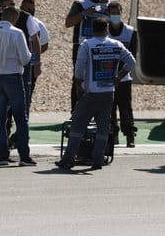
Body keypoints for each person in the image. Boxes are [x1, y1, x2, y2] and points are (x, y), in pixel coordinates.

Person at [56, 17, 135, 170]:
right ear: (106, 29)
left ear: (93, 29)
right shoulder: (116, 44)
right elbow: (131, 62)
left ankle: (68, 158)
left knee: (78, 125)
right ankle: (98, 159)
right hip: (108, 92)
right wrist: (119, 76)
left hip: (91, 91)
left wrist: (78, 84)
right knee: (103, 127)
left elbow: (79, 67)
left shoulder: (87, 45)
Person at [0, 6, 35, 166]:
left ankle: (2, 155)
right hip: (13, 76)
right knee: (20, 117)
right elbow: (25, 59)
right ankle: (24, 156)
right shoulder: (17, 33)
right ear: (14, 18)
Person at [0, 0, 41, 121]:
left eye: (12, 4)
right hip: (3, 65)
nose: (11, 8)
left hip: (23, 65)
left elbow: (35, 41)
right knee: (3, 102)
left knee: (24, 101)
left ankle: (21, 133)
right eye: (7, 6)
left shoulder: (26, 18)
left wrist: (37, 63)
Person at [65, 0, 110, 113]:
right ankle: (76, 111)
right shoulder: (79, 4)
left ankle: (98, 111)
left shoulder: (106, 3)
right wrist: (83, 13)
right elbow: (68, 23)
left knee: (99, 78)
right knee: (79, 78)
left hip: (102, 46)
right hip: (82, 45)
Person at [107, 1, 138, 147]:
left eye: (117, 13)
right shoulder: (103, 32)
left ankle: (130, 135)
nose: (115, 16)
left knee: (125, 108)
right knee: (109, 109)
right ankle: (113, 135)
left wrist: (119, 75)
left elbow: (132, 58)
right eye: (112, 13)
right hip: (107, 78)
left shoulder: (130, 32)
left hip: (124, 77)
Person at [20, 0, 49, 101]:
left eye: (32, 9)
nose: (30, 11)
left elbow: (45, 45)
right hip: (16, 62)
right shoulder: (16, 21)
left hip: (31, 64)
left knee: (28, 92)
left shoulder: (39, 24)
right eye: (27, 9)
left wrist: (34, 56)